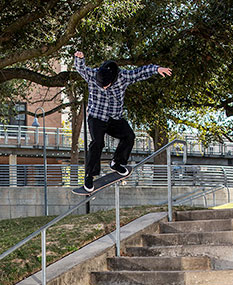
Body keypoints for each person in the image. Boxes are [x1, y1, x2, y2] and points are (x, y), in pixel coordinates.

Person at [74, 51, 172, 192]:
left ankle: (117, 162)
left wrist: (156, 69)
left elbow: (140, 72)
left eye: (107, 85)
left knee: (129, 136)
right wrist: (79, 58)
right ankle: (89, 175)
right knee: (97, 143)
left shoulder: (123, 76)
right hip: (96, 117)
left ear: (114, 78)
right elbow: (80, 68)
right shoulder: (92, 75)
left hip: (114, 118)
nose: (104, 87)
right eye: (102, 85)